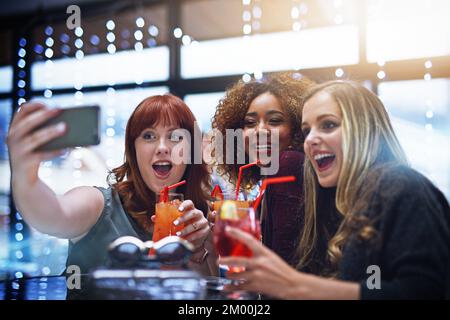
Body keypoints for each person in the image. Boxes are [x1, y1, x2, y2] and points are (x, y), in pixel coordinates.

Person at [219, 80, 450, 299]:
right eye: (307, 130)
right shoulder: (341, 200)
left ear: (364, 130)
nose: (310, 140)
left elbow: (424, 291)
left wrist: (295, 286)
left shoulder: (401, 185)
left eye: (328, 125)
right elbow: (372, 284)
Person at [7, 94, 218, 276]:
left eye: (175, 137)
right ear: (133, 150)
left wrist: (197, 252)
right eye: (149, 136)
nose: (162, 147)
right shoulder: (100, 205)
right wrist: (25, 175)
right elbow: (53, 215)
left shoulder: (201, 219)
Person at [211, 72, 314, 265]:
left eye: (274, 121)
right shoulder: (270, 180)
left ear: (296, 128)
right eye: (250, 123)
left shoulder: (289, 163)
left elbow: (282, 270)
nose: (260, 131)